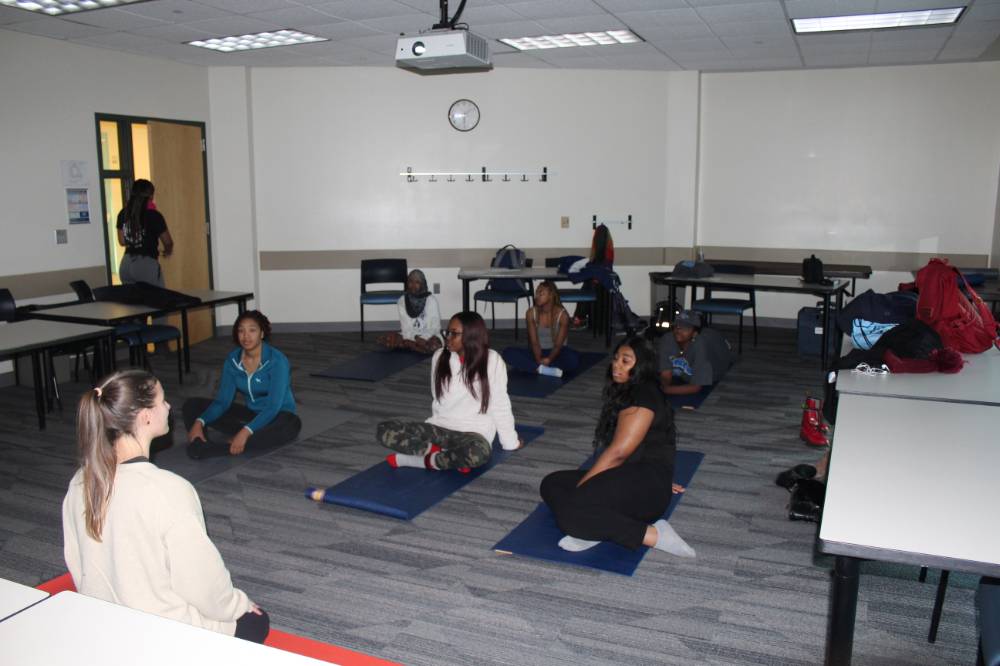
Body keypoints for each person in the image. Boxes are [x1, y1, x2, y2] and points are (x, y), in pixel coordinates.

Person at [62, 370, 269, 643]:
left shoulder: (80, 481)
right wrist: (239, 605)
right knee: (257, 621)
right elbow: (202, 583)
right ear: (146, 416)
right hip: (163, 634)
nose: (169, 407)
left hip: (105, 622)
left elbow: (77, 560)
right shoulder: (169, 490)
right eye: (162, 401)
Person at [540, 336, 695, 556]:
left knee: (571, 513)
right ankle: (596, 527)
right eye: (616, 359)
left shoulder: (643, 395)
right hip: (632, 477)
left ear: (642, 365)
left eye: (625, 361)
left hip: (647, 486)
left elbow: (618, 453)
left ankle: (653, 535)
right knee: (552, 483)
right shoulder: (632, 390)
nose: (616, 365)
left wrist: (583, 488)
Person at [377, 311, 521, 472]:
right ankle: (445, 456)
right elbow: (438, 399)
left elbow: (500, 404)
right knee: (384, 430)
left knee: (478, 453)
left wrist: (510, 442)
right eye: (447, 332)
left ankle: (422, 460)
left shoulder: (492, 361)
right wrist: (430, 436)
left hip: (473, 433)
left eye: (454, 334)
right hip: (439, 428)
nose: (448, 338)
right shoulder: (440, 356)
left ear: (471, 336)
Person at [183, 310, 301, 459]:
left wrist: (245, 432)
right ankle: (199, 440)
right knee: (192, 406)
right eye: (241, 331)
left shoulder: (277, 361)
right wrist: (199, 422)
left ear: (262, 333)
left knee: (291, 426)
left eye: (252, 330)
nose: (246, 336)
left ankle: (213, 449)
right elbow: (222, 402)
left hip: (278, 415)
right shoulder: (232, 361)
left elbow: (273, 407)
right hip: (252, 416)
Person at [502, 280, 580, 377]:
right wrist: (539, 360)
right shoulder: (531, 313)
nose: (537, 296)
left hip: (557, 352)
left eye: (541, 293)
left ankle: (534, 367)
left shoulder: (562, 315)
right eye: (536, 293)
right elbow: (534, 342)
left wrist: (549, 359)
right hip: (537, 352)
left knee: (573, 360)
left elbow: (558, 345)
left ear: (551, 295)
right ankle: (541, 369)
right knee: (508, 353)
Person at [658, 310, 734, 396]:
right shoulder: (667, 339)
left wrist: (666, 390)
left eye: (685, 327)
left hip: (719, 357)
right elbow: (665, 375)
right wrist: (663, 385)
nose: (679, 330)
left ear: (695, 333)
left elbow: (695, 387)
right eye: (677, 326)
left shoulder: (700, 344)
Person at [116, 179, 173, 287]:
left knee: (132, 298)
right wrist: (167, 251)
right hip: (146, 265)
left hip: (126, 264)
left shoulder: (123, 213)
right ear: (150, 196)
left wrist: (135, 238)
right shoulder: (154, 216)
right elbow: (168, 241)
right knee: (157, 296)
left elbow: (122, 241)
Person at [376, 269, 442, 354]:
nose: (413, 285)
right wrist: (416, 338)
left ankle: (409, 345)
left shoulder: (431, 300)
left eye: (417, 282)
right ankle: (417, 347)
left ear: (422, 284)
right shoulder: (402, 301)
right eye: (410, 281)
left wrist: (424, 337)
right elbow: (405, 328)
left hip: (429, 337)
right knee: (389, 339)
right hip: (411, 336)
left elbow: (435, 327)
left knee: (435, 345)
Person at [572, 223, 615, 329]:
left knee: (586, 288)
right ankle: (580, 317)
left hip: (601, 284)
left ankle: (580, 317)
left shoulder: (601, 252)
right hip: (602, 283)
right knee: (587, 286)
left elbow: (599, 269)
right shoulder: (608, 251)